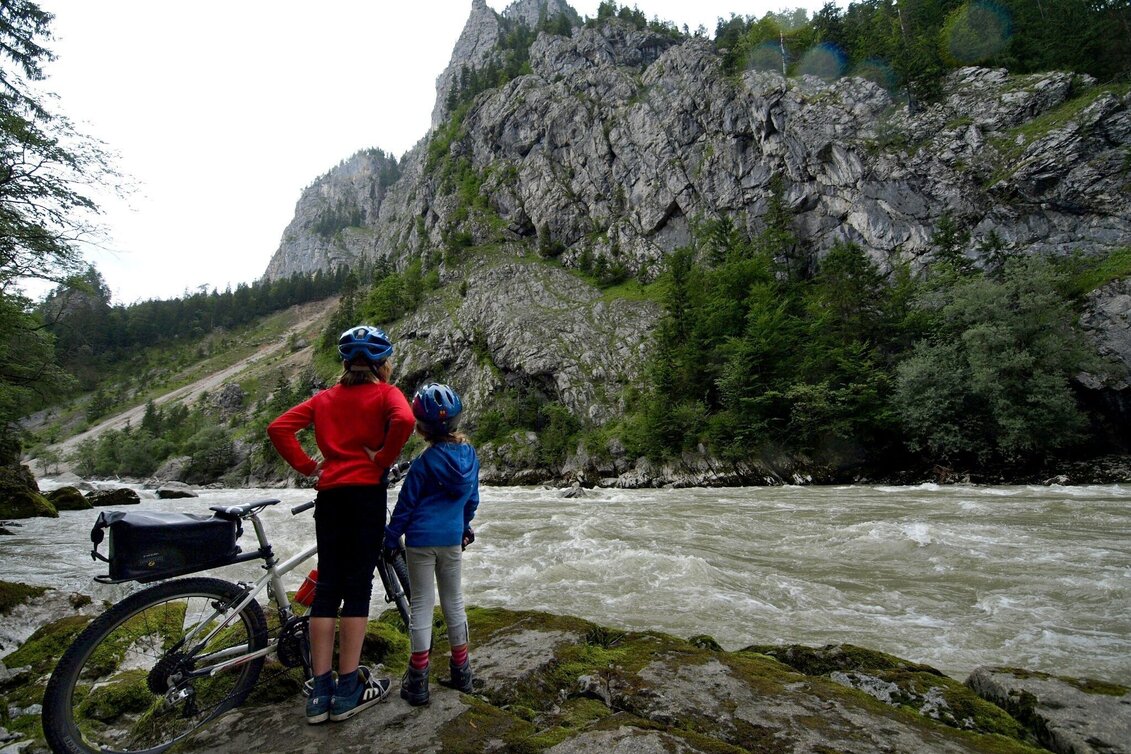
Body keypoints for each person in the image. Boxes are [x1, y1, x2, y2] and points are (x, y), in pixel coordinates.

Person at [267, 325, 415, 724]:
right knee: (358, 587)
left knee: (328, 586)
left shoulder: (324, 399)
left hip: (329, 497)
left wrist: (308, 467)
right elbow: (404, 420)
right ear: (382, 365)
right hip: (365, 497)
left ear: (346, 363)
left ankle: (320, 692)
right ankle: (348, 687)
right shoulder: (387, 393)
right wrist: (382, 458)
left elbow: (278, 428)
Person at [383, 382, 480, 706]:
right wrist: (464, 526)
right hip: (452, 539)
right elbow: (472, 500)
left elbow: (406, 507)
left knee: (422, 606)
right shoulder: (469, 455)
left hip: (421, 541)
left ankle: (418, 682)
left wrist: (388, 537)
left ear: (421, 428)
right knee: (455, 602)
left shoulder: (424, 463)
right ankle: (461, 672)